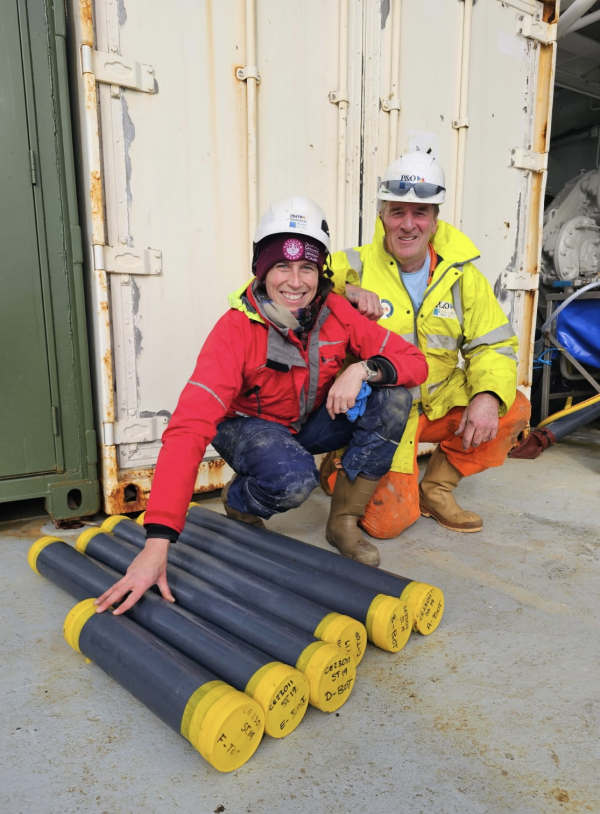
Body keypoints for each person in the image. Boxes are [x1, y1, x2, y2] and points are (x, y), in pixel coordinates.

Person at [95, 196, 428, 615]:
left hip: (306, 421)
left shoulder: (336, 311)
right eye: (281, 267)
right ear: (261, 270)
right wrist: (157, 541)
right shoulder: (235, 329)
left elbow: (415, 363)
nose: (295, 281)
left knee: (394, 399)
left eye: (306, 267)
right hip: (249, 427)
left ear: (320, 272)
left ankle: (343, 522)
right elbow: (188, 429)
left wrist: (362, 368)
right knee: (293, 481)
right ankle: (241, 500)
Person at [321, 152, 531, 539]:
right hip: (384, 411)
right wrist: (342, 290)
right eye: (397, 211)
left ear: (435, 221)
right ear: (382, 214)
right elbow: (278, 287)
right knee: (388, 525)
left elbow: (495, 346)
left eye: (420, 213)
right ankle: (341, 465)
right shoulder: (352, 264)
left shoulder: (462, 275)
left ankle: (436, 489)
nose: (407, 224)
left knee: (511, 406)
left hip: (439, 398)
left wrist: (485, 396)